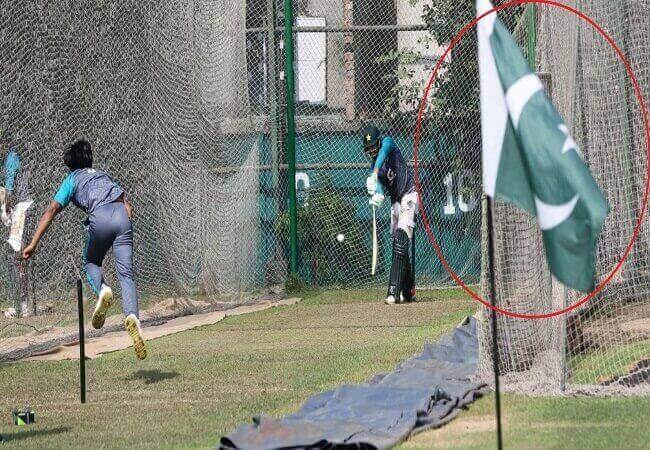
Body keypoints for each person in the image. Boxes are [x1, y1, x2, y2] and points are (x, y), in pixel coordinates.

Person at [22, 139, 147, 359]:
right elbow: (128, 203)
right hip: (121, 216)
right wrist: (125, 213)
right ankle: (133, 318)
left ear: (70, 164)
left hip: (100, 217)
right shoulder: (101, 174)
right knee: (126, 275)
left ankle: (103, 291)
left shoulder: (72, 179)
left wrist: (33, 243)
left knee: (90, 262)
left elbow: (52, 210)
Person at [363, 125, 418, 305]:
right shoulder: (373, 166)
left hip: (409, 194)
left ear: (378, 142)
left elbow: (381, 155)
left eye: (373, 147)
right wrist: (376, 195)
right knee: (398, 244)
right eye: (368, 149)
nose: (371, 151)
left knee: (402, 237)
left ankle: (393, 292)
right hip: (395, 201)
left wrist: (375, 172)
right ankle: (408, 290)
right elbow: (378, 186)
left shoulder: (388, 143)